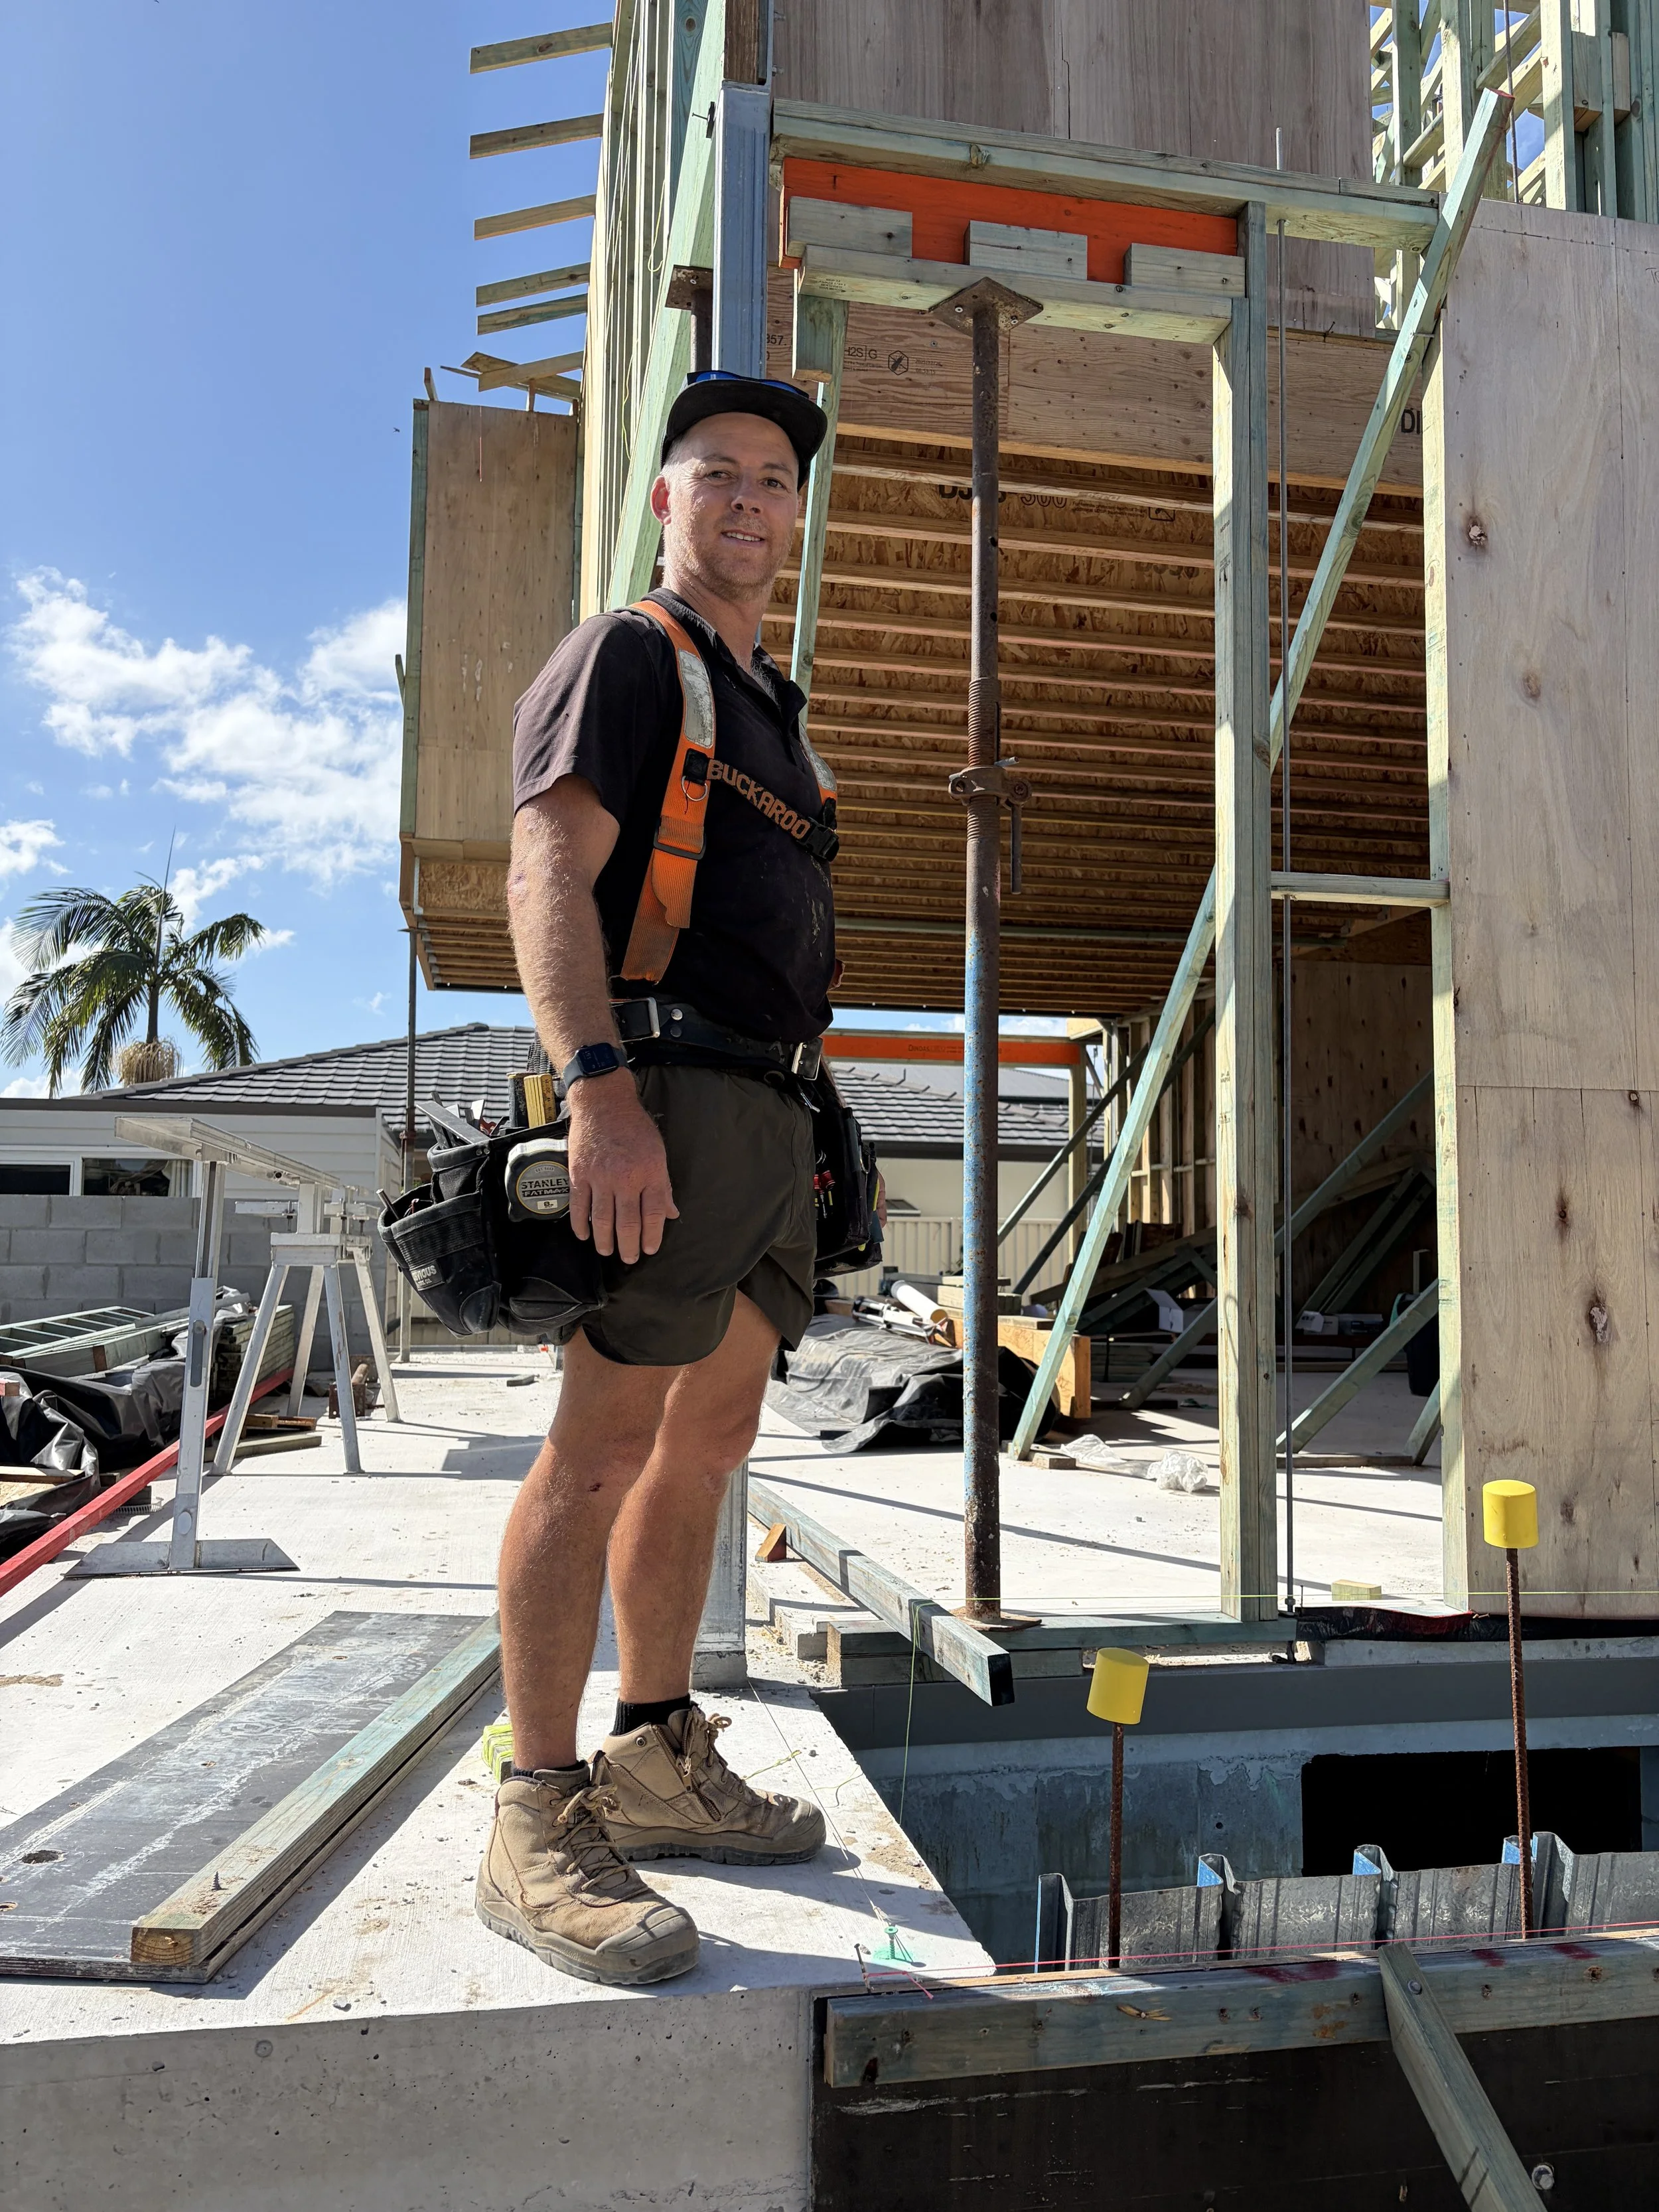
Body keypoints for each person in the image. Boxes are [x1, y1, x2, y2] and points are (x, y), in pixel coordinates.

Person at [476, 370, 841, 1986]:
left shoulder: (771, 702)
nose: (751, 501)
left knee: (714, 1441)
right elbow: (548, 862)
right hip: (661, 1092)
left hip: (764, 1112)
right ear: (665, 500)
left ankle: (651, 1752)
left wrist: (818, 1133)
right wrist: (596, 1090)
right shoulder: (632, 655)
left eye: (774, 479)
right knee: (602, 1443)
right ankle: (535, 1810)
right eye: (719, 474)